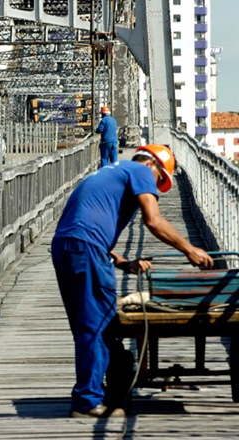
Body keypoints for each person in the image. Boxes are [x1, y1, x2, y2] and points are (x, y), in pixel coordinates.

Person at [51, 144, 213, 418]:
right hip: (86, 249)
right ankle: (87, 401)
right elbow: (153, 221)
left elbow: (84, 225)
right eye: (159, 183)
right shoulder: (141, 170)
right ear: (155, 167)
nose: (154, 190)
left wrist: (122, 262)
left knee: (85, 324)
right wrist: (189, 249)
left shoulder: (107, 172)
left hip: (65, 246)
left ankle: (92, 391)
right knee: (99, 324)